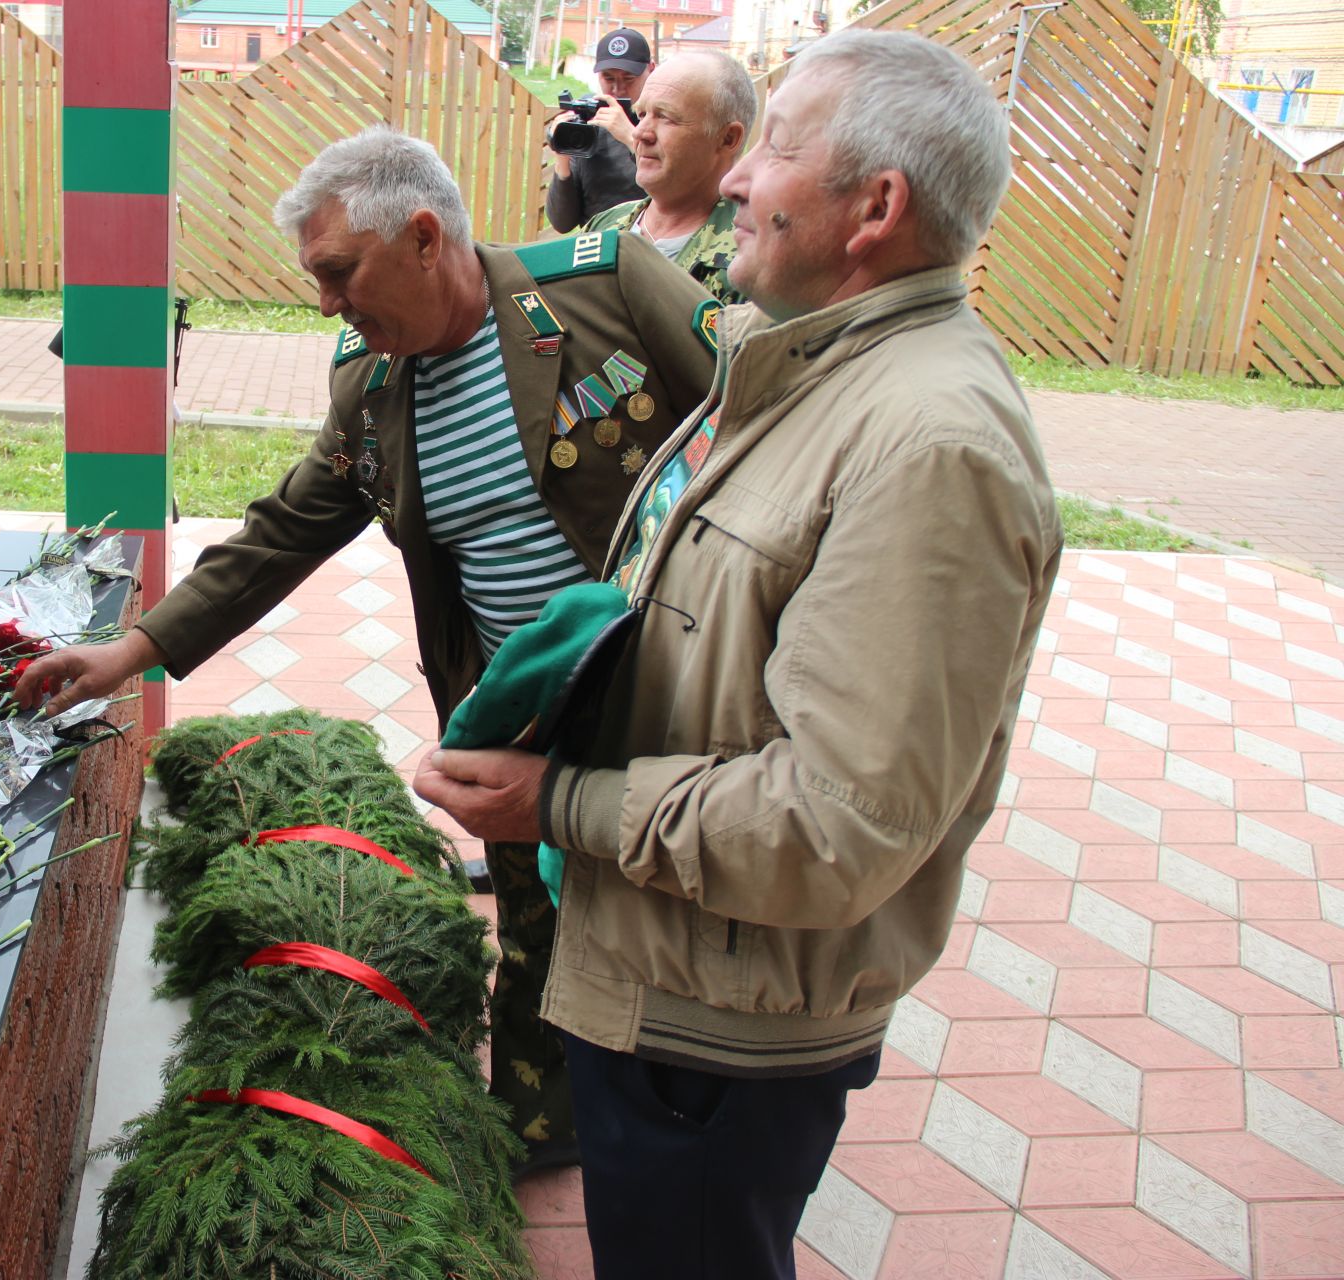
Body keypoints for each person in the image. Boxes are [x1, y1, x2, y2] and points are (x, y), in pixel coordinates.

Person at [414, 30, 1062, 1278]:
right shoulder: (811, 357)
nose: (737, 175)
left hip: (719, 1027)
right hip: (674, 963)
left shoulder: (932, 446)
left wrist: (561, 800)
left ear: (876, 207)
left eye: (776, 145)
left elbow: (838, 820)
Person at [14, 126, 721, 1174]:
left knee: (675, 899)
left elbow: (767, 417)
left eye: (339, 271)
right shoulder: (373, 381)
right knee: (534, 919)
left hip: (670, 686)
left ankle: (690, 1107)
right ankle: (539, 1121)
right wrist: (132, 652)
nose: (327, 302)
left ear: (423, 236)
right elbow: (286, 526)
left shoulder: (606, 288)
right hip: (515, 706)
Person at [580, 51, 755, 306]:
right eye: (641, 115)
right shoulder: (604, 227)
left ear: (727, 138)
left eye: (665, 117)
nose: (640, 133)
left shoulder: (753, 260)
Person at [543, 28, 651, 234]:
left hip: (650, 248)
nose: (618, 89)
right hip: (598, 250)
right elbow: (562, 222)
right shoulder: (589, 122)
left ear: (651, 70)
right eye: (608, 79)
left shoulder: (667, 121)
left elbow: (679, 195)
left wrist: (630, 137)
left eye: (629, 79)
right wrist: (562, 159)